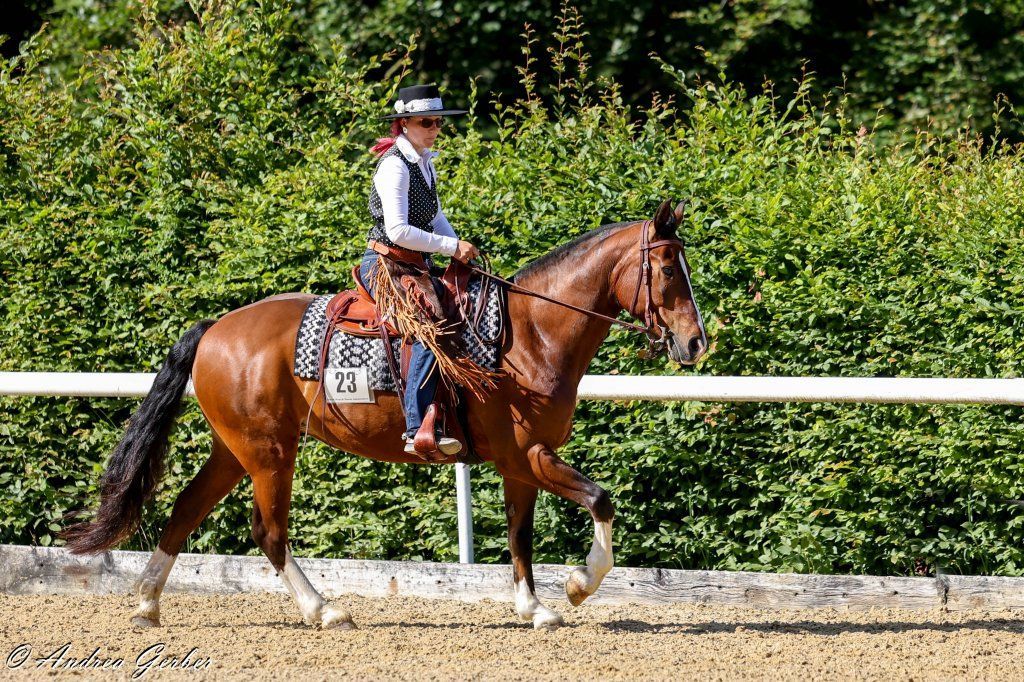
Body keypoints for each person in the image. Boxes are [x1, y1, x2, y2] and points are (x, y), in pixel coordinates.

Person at [359, 83, 480, 456]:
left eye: (438, 122)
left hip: (414, 264)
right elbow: (397, 231)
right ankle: (416, 429)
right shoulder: (394, 166)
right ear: (405, 124)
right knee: (428, 326)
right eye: (427, 122)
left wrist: (459, 249)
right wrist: (450, 247)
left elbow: (435, 217)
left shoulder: (424, 162)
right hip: (385, 264)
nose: (435, 129)